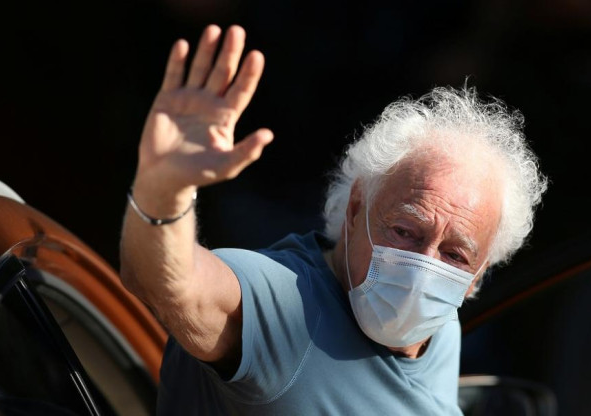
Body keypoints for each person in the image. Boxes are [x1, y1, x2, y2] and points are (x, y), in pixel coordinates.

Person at [119, 23, 547, 415]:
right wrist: (163, 189)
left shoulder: (440, 327)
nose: (423, 267)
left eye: (454, 255)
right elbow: (169, 283)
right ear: (355, 209)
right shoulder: (281, 303)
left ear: (477, 276)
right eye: (404, 231)